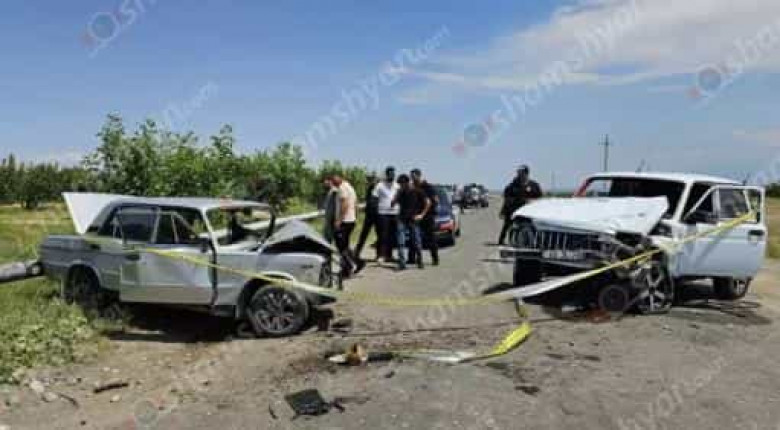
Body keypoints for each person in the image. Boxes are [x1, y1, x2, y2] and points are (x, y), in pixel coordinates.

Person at [498, 165, 543, 245]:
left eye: (521, 173)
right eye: (518, 173)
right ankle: (503, 240)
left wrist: (531, 200)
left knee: (533, 226)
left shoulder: (533, 185)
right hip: (514, 209)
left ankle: (539, 242)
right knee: (508, 225)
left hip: (529, 210)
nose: (520, 175)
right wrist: (503, 211)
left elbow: (539, 197)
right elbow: (507, 199)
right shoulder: (512, 185)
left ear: (526, 173)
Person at [392, 174, 428, 270]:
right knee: (400, 242)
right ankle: (402, 263)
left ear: (407, 183)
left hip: (413, 219)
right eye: (399, 184)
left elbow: (428, 203)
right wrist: (396, 195)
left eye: (401, 184)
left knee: (416, 241)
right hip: (402, 219)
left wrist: (422, 215)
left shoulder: (418, 191)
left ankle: (420, 261)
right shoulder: (400, 192)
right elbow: (392, 204)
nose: (400, 186)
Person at [332, 175, 363, 276]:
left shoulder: (342, 188)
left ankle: (351, 265)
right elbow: (356, 203)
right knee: (345, 246)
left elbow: (344, 204)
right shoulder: (350, 187)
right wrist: (356, 217)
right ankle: (350, 266)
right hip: (351, 220)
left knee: (341, 246)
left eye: (334, 181)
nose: (333, 183)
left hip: (345, 221)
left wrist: (339, 220)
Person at [410, 168, 439, 266]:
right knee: (414, 237)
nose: (412, 179)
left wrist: (428, 212)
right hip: (415, 216)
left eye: (414, 176)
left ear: (419, 176)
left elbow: (435, 200)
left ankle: (435, 259)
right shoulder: (412, 187)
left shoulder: (428, 187)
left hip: (427, 216)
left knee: (431, 238)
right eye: (411, 177)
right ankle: (412, 258)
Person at [373, 166, 400, 262]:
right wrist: (375, 212)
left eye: (393, 174)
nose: (392, 175)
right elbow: (375, 198)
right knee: (382, 235)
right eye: (390, 174)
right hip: (383, 213)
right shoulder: (380, 185)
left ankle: (389, 255)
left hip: (395, 213)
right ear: (387, 174)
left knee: (392, 236)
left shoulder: (397, 186)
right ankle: (381, 255)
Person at [355, 172, 379, 261]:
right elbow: (369, 201)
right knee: (364, 234)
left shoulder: (378, 189)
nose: (368, 181)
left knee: (379, 235)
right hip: (369, 214)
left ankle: (379, 254)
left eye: (370, 179)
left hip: (377, 214)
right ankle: (357, 252)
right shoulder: (369, 189)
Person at [321, 176, 341, 244]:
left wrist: (337, 219)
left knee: (332, 237)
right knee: (327, 236)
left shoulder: (334, 191)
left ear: (330, 181)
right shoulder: (329, 191)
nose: (324, 184)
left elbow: (337, 206)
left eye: (326, 182)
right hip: (328, 218)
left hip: (332, 218)